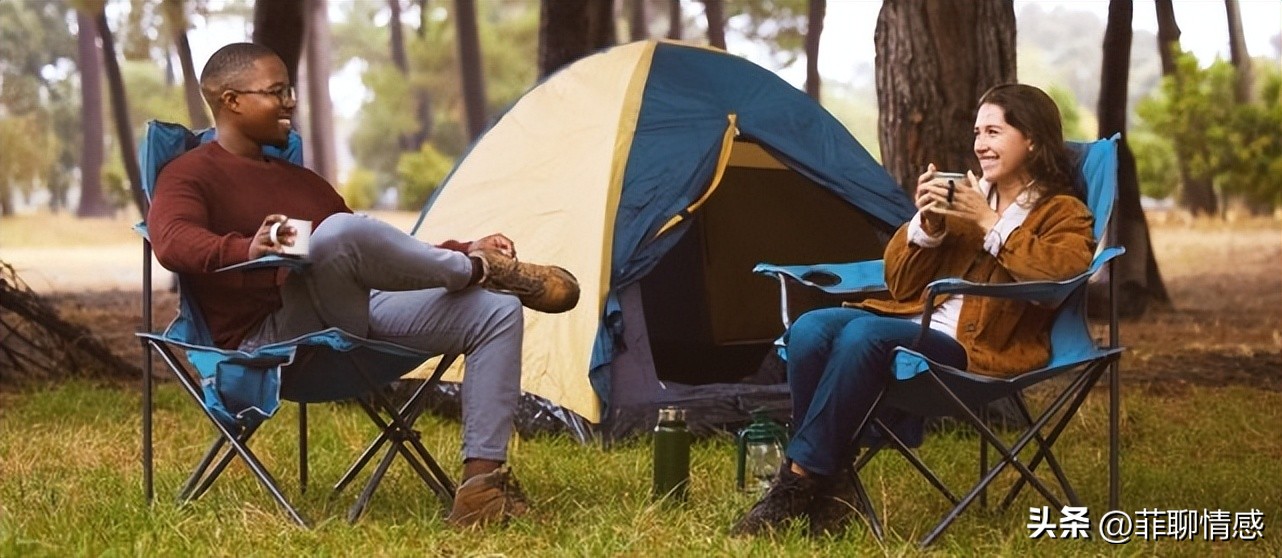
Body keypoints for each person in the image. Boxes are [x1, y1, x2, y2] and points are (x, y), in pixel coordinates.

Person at [148, 42, 578, 528]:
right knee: (331, 233)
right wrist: (247, 248)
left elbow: (370, 252)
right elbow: (171, 241)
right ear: (231, 101)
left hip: (346, 322)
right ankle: (473, 269)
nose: (290, 101)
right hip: (269, 345)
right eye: (276, 91)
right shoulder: (188, 174)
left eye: (290, 89)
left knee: (494, 310)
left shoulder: (301, 182)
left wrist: (461, 246)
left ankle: (481, 489)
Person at [731, 83, 1096, 537]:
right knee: (811, 327)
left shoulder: (1062, 212)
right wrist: (926, 225)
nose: (980, 144)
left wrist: (989, 222)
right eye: (977, 132)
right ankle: (831, 484)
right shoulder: (963, 199)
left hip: (976, 350)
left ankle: (796, 482)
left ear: (1033, 140)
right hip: (913, 323)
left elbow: (1056, 281)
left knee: (863, 336)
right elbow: (901, 283)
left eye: (994, 132)